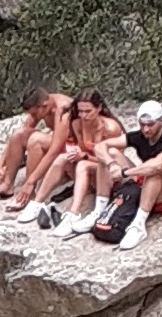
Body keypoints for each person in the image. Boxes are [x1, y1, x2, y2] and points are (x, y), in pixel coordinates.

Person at [97, 100, 162, 244]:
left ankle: (139, 224)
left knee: (154, 169)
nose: (146, 129)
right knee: (112, 153)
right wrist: (111, 164)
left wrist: (125, 173)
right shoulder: (140, 136)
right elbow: (101, 146)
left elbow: (158, 165)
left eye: (150, 124)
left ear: (161, 121)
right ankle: (100, 209)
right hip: (146, 184)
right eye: (142, 124)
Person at [51, 92, 128, 230]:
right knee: (63, 158)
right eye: (80, 111)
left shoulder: (110, 128)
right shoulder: (77, 124)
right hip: (93, 170)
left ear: (99, 108)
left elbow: (111, 159)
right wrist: (77, 153)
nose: (83, 115)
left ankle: (74, 212)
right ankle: (37, 202)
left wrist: (84, 157)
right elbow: (82, 150)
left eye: (88, 111)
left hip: (110, 174)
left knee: (83, 165)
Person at [0, 90, 63, 204]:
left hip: (70, 145)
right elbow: (21, 133)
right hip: (56, 141)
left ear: (44, 106)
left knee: (35, 140)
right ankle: (7, 184)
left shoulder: (62, 110)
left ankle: (30, 192)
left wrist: (30, 182)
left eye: (34, 114)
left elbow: (55, 149)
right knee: (19, 134)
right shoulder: (42, 105)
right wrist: (0, 166)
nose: (33, 117)